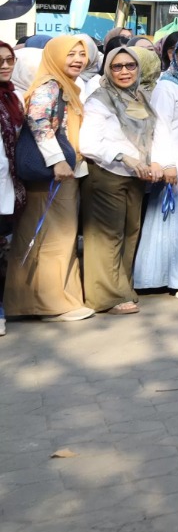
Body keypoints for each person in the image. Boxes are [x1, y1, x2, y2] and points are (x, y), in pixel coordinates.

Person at [4, 35, 95, 321]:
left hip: (65, 172)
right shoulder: (49, 85)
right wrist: (57, 160)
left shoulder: (65, 85)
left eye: (81, 54)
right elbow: (39, 121)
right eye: (70, 54)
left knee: (60, 237)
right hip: (51, 175)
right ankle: (48, 304)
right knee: (51, 237)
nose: (78, 59)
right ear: (55, 56)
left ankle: (60, 299)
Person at [79, 47, 164, 315]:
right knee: (107, 237)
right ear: (107, 69)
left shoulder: (140, 95)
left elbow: (152, 133)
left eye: (130, 65)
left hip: (136, 176)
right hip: (107, 175)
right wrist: (124, 157)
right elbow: (88, 143)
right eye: (117, 66)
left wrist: (154, 161)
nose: (125, 71)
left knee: (130, 232)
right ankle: (105, 297)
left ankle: (122, 289)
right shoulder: (99, 100)